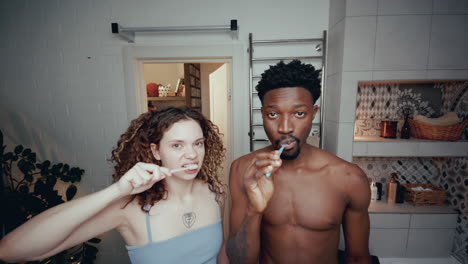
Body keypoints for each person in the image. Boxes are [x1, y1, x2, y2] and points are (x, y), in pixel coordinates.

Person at [0, 106, 229, 264]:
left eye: (198, 143)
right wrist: (117, 191)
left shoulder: (215, 193)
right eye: (177, 145)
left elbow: (221, 257)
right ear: (156, 151)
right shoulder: (130, 209)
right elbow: (9, 250)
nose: (192, 154)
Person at [226, 60, 371, 264]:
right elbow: (239, 260)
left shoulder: (349, 177)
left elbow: (357, 258)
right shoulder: (243, 169)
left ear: (313, 113)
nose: (285, 128)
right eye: (273, 114)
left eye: (299, 113)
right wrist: (254, 210)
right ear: (263, 115)